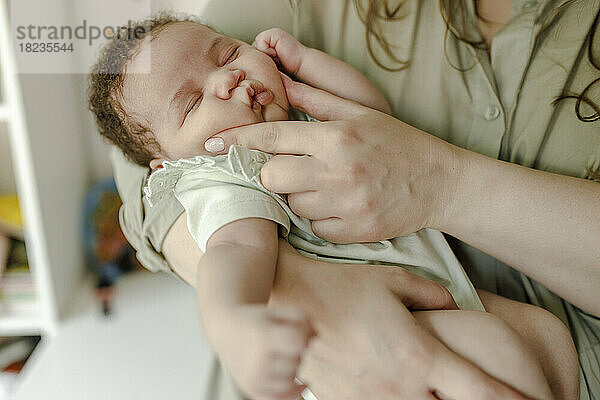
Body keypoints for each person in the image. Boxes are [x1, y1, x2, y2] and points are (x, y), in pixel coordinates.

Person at [107, 0, 599, 399]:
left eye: (228, 55)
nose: (227, 80)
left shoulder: (295, 114)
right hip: (398, 325)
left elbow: (374, 115)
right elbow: (234, 251)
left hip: (440, 304)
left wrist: (302, 68)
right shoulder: (227, 173)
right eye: (193, 104)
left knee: (538, 344)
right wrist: (233, 324)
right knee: (503, 355)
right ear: (167, 165)